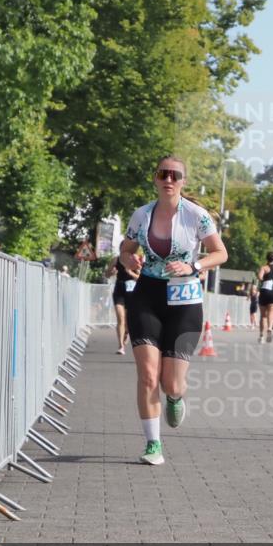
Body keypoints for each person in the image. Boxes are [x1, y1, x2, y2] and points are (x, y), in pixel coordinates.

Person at [119, 155, 228, 466]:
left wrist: (194, 266)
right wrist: (129, 259)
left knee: (172, 383)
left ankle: (176, 397)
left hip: (184, 301)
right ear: (155, 178)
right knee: (147, 375)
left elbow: (221, 253)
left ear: (183, 181)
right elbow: (125, 250)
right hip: (147, 296)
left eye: (175, 175)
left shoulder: (197, 216)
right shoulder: (141, 215)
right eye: (163, 174)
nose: (168, 179)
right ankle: (153, 444)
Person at [106, 255, 141, 354]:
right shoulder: (116, 259)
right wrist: (111, 273)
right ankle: (121, 346)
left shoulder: (135, 259)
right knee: (120, 318)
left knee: (128, 320)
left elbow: (140, 278)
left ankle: (126, 332)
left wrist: (130, 273)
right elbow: (107, 274)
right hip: (119, 290)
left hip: (131, 292)